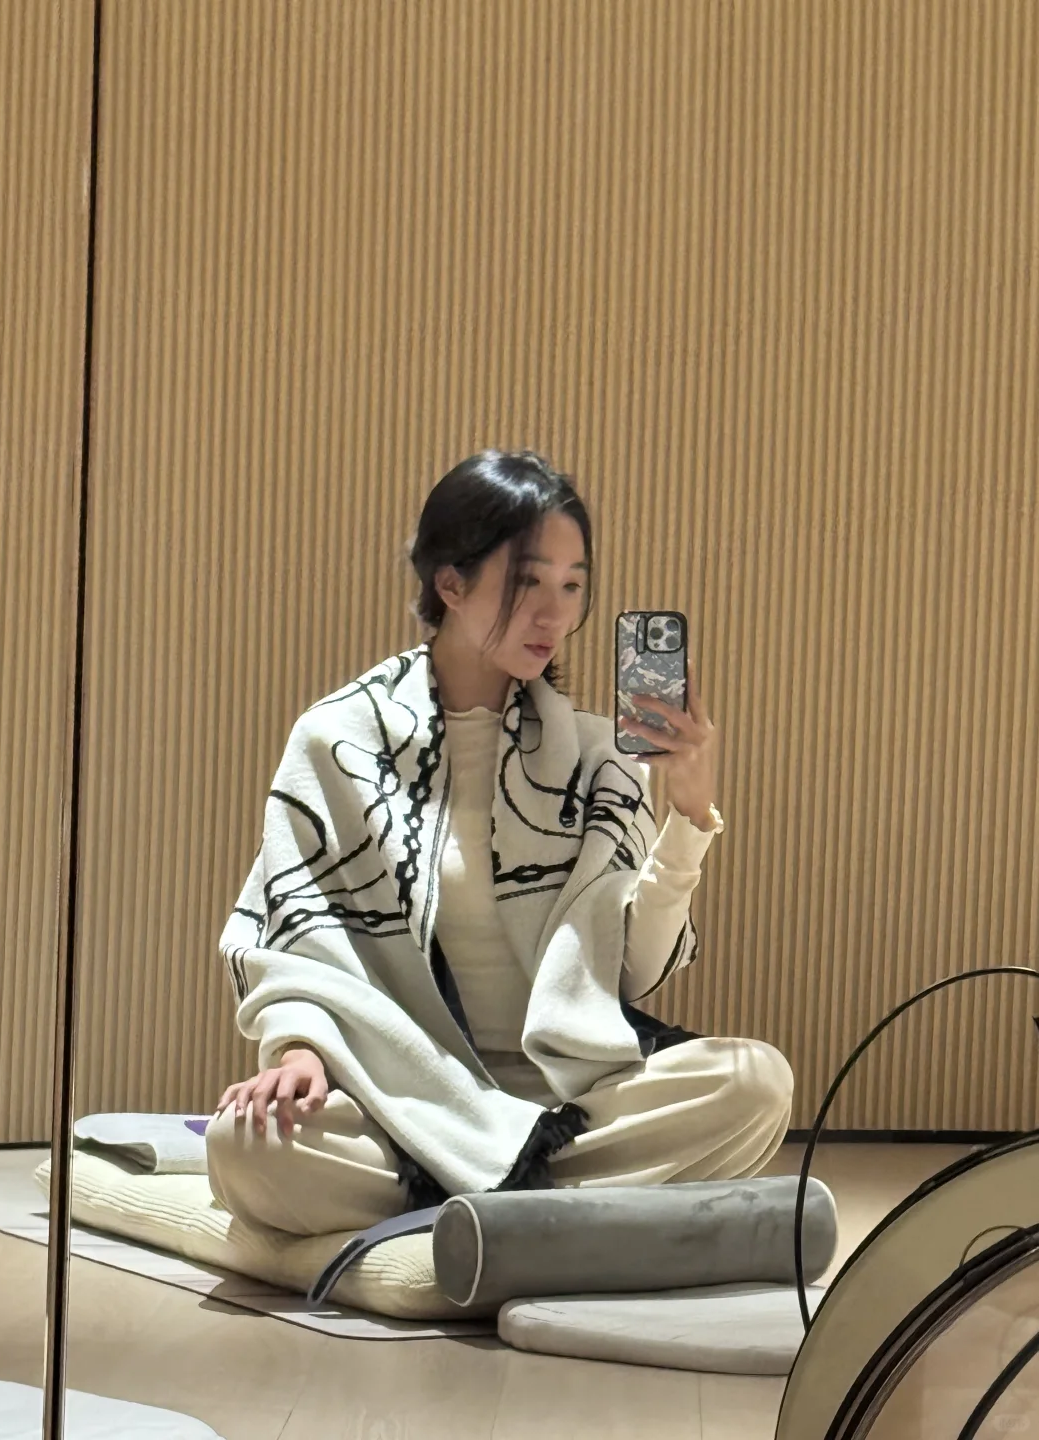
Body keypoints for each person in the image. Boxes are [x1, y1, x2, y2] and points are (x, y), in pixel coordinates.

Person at [206, 450, 793, 1246]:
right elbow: (300, 935)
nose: (554, 615)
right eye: (528, 582)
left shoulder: (597, 755)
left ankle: (479, 1213)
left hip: (566, 1094)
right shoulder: (339, 741)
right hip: (403, 1091)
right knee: (248, 1147)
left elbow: (632, 973)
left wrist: (688, 812)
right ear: (450, 583)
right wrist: (300, 1051)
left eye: (573, 586)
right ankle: (558, 1219)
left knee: (755, 1084)